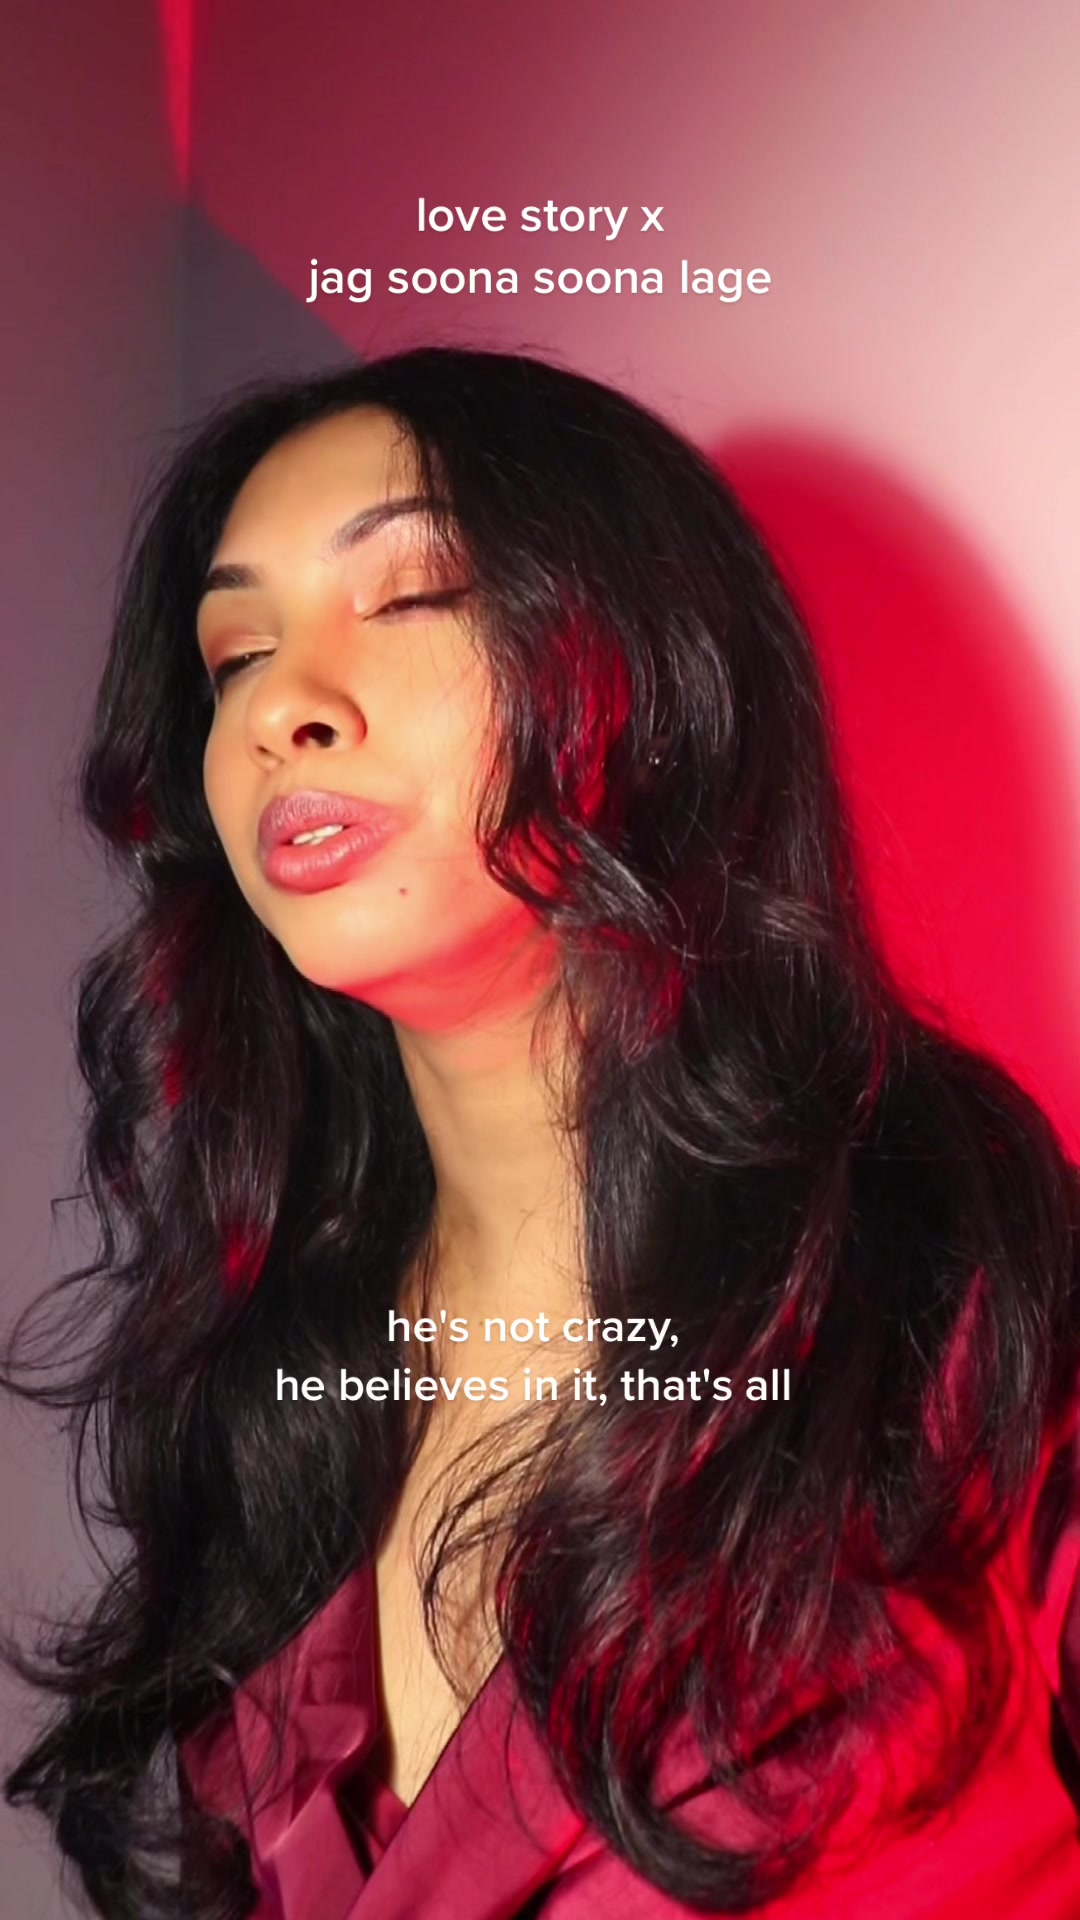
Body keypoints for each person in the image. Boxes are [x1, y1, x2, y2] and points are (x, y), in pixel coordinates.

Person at [4, 344, 1080, 1920]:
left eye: (411, 597)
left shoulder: (973, 1300)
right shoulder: (275, 1368)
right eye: (237, 655)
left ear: (648, 667)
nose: (282, 708)